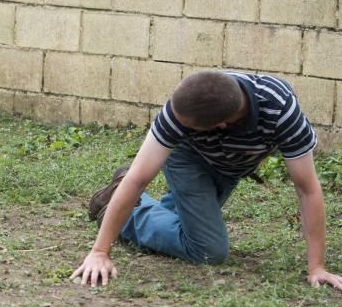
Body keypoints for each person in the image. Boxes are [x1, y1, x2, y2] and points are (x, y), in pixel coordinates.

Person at [72, 70, 342, 292]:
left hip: (231, 166)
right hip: (186, 159)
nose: (175, 123)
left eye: (188, 126)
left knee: (185, 225)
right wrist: (99, 252)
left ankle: (129, 204)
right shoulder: (183, 107)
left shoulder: (281, 111)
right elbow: (138, 179)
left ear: (221, 125)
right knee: (207, 249)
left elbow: (307, 189)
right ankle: (123, 211)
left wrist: (316, 267)